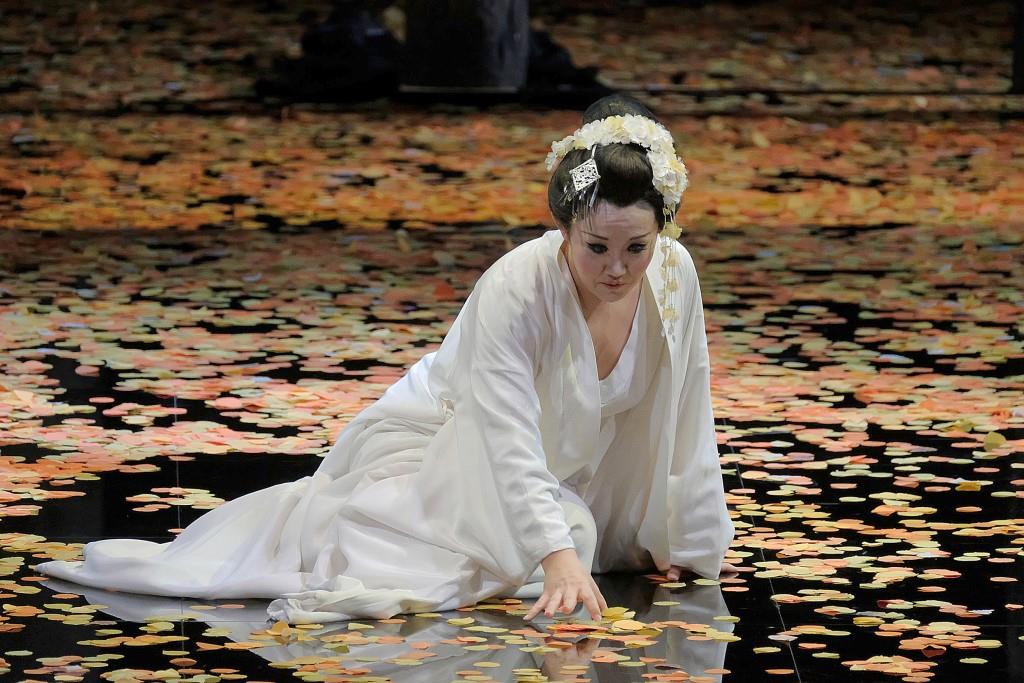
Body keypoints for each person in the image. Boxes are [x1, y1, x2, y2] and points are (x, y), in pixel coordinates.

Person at [37, 94, 735, 624]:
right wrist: (554, 554)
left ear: (661, 233)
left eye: (636, 248)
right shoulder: (517, 287)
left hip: (575, 460)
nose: (617, 269)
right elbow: (503, 432)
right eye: (596, 247)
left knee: (586, 536)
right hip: (453, 435)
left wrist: (691, 542)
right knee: (555, 541)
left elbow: (687, 408)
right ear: (565, 228)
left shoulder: (674, 274)